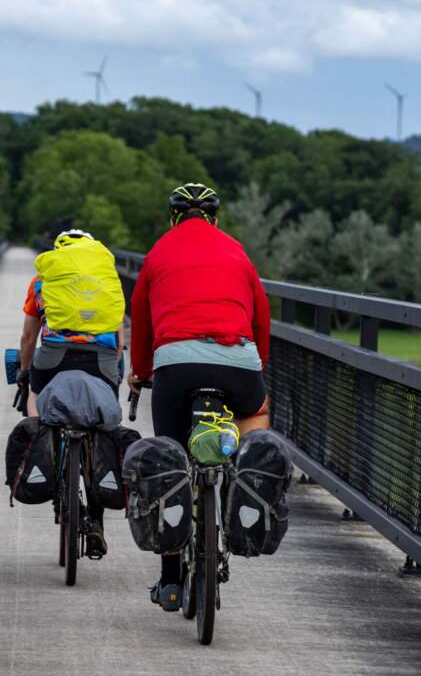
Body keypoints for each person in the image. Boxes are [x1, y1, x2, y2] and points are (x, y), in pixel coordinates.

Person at [128, 183, 271, 611]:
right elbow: (261, 315)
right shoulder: (237, 252)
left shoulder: (158, 253)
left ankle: (171, 580)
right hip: (239, 359)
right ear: (215, 218)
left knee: (171, 459)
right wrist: (256, 367)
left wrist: (141, 372)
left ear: (172, 217)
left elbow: (140, 317)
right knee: (254, 413)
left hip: (176, 363)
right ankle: (245, 477)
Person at [18, 228, 126, 557]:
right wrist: (114, 370)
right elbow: (118, 338)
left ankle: (44, 450)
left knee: (37, 394)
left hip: (54, 355)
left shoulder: (43, 280)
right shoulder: (106, 279)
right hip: (100, 358)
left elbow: (28, 336)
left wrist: (26, 375)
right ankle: (95, 520)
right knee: (101, 419)